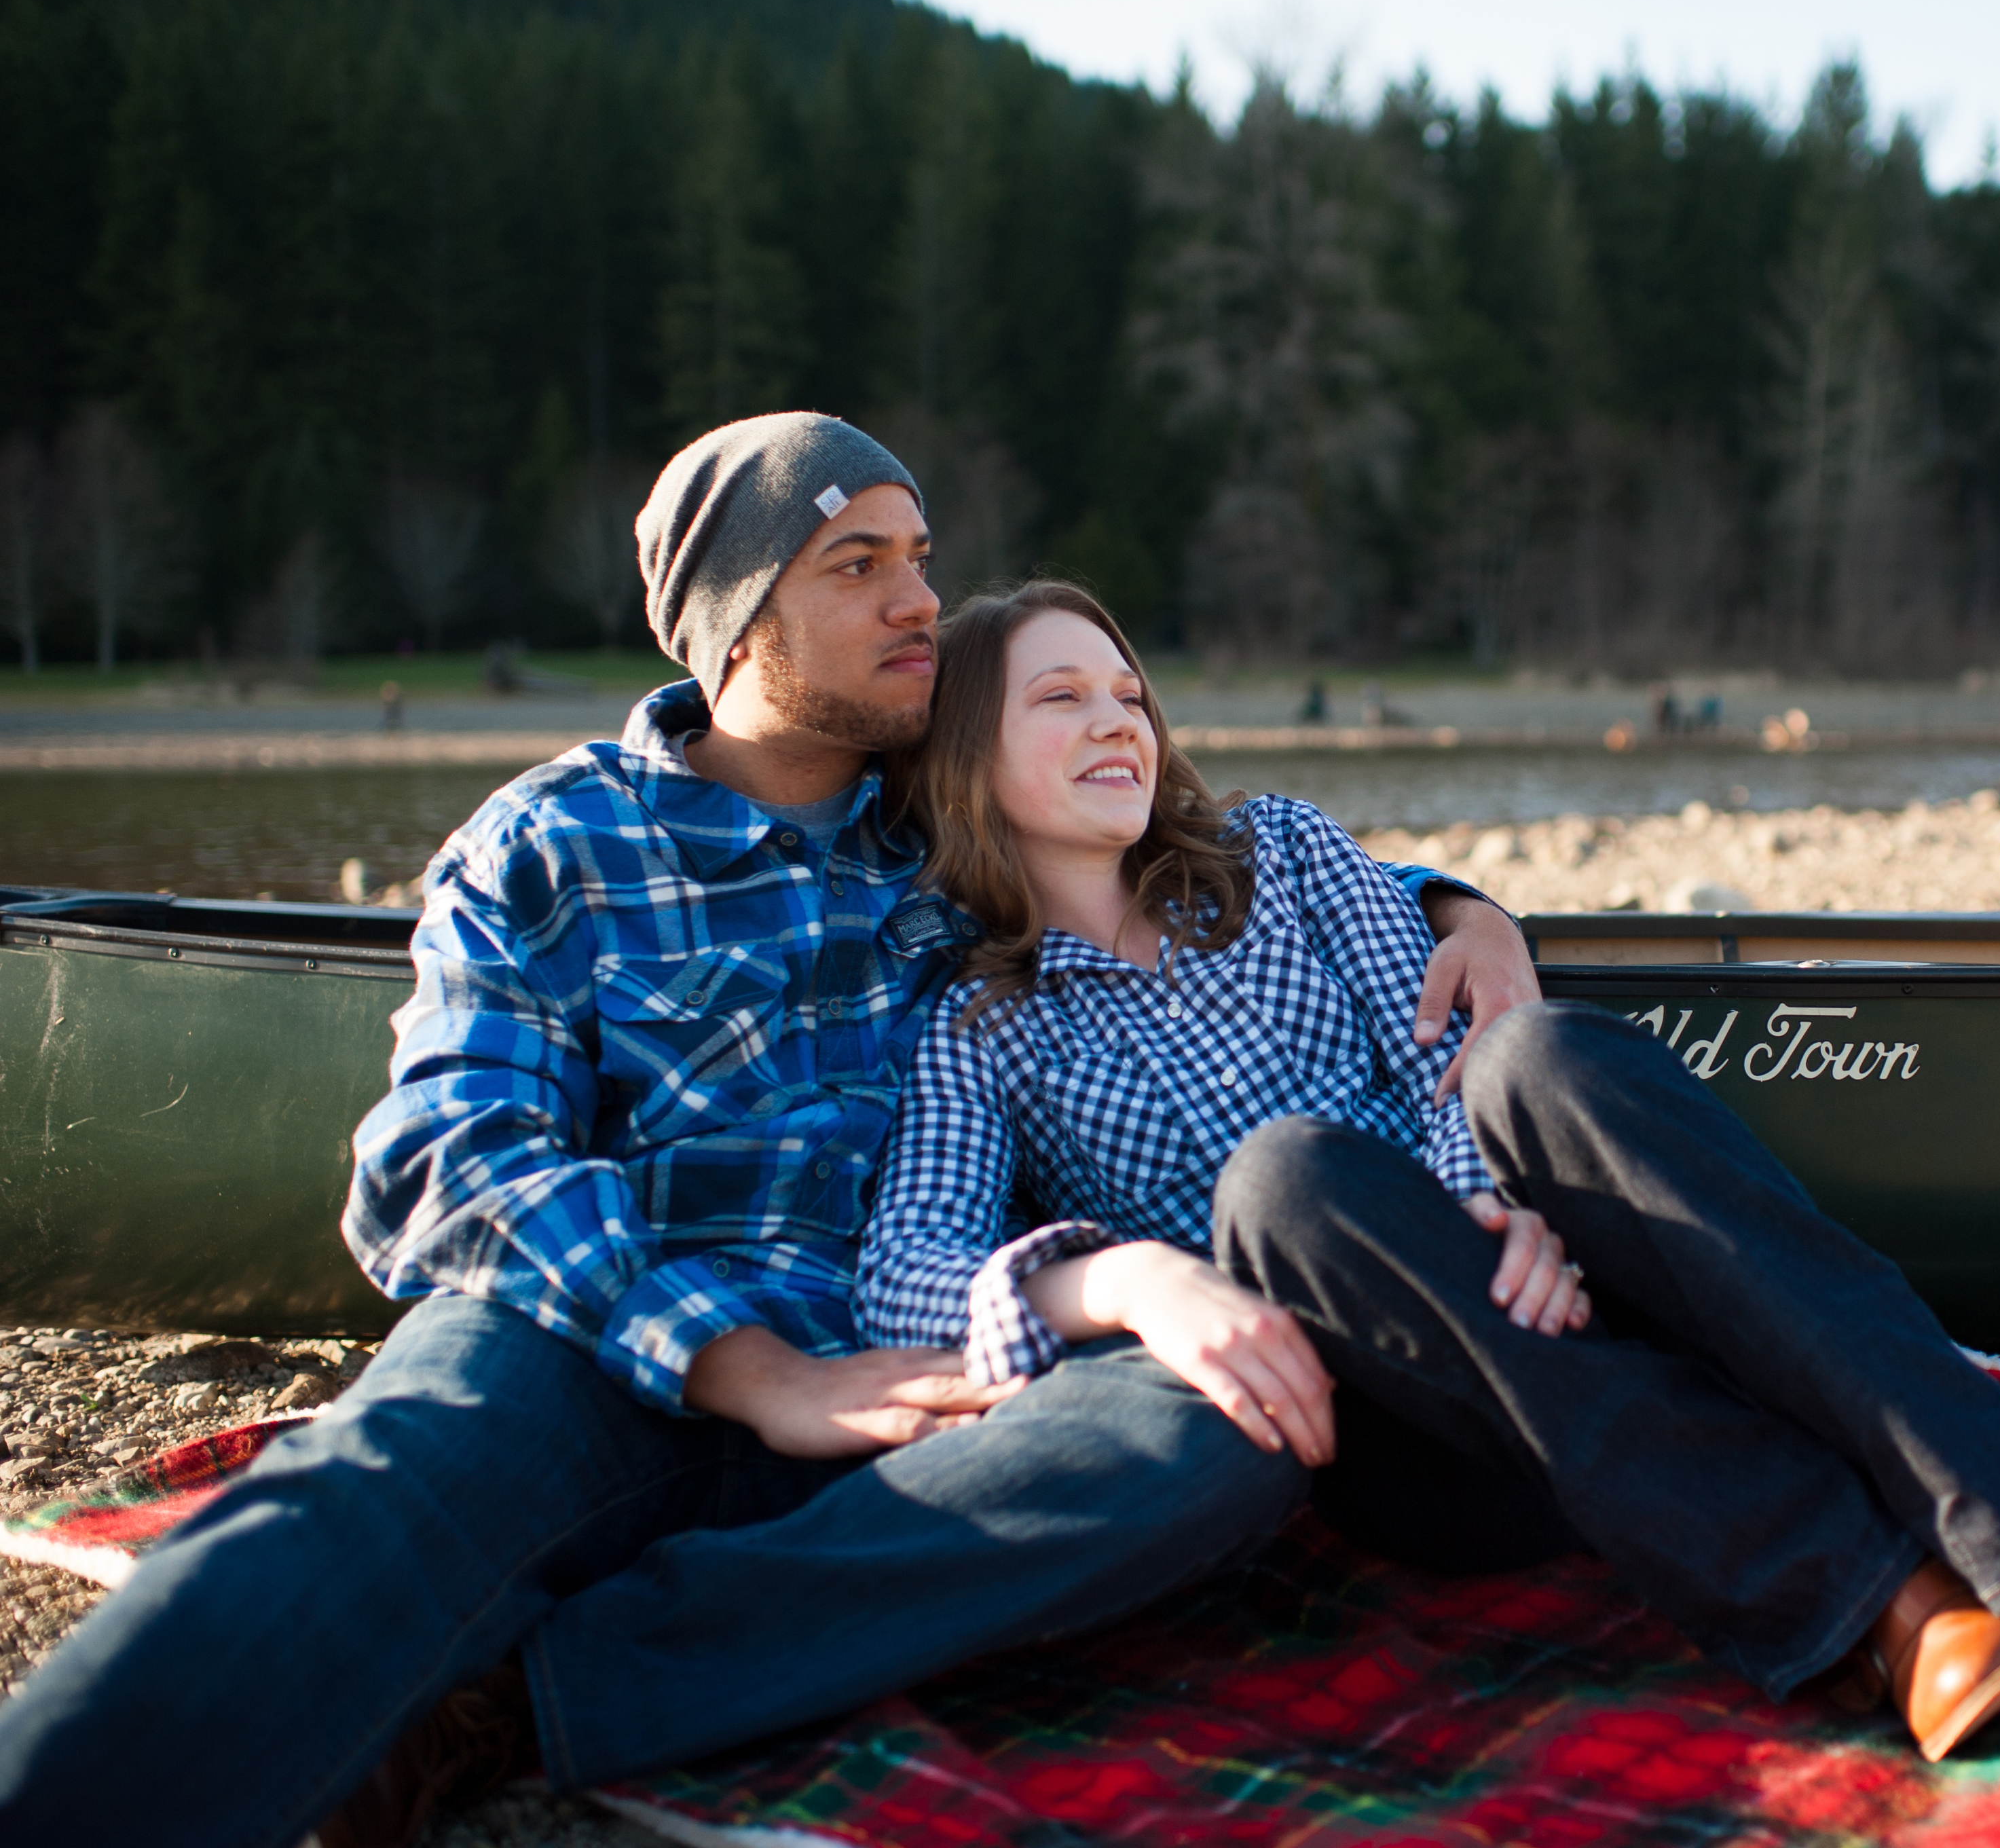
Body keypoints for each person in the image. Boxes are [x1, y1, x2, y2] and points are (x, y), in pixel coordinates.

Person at [0, 416, 1536, 1848]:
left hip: (908, 1359)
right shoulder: (556, 839)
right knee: (383, 1480)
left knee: (1217, 1423)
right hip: (596, 1349)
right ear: (739, 625)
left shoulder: (949, 830)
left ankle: (525, 1699)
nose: (920, 599)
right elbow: (445, 1164)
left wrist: (1450, 908)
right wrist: (756, 1375)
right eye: (857, 566)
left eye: (922, 557)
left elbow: (1188, 851)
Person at [860, 578, 2000, 1775]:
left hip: (1568, 1283)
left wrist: (1493, 1194)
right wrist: (1117, 1278)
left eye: (1129, 692)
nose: (1116, 719)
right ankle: (1878, 1606)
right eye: (1061, 698)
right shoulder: (982, 1028)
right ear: (972, 758)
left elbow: (1437, 1053)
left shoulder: (1281, 855)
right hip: (1426, 1423)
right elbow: (903, 1272)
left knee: (1540, 1055)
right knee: (1282, 1182)